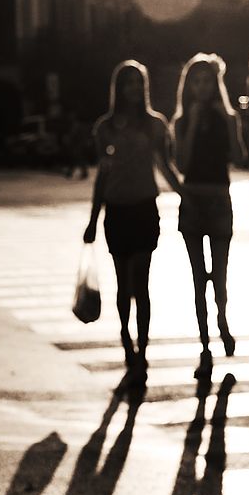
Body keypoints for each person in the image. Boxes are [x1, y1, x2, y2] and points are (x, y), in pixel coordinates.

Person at [83, 60, 184, 387]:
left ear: (144, 88)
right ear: (118, 89)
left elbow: (165, 166)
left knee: (141, 283)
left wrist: (186, 193)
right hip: (116, 210)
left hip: (144, 209)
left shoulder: (155, 125)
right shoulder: (105, 128)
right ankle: (126, 338)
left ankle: (143, 349)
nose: (133, 90)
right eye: (127, 84)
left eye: (137, 83)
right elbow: (103, 174)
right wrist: (92, 219)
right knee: (123, 285)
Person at [172, 53, 247, 378]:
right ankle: (204, 344)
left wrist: (228, 123)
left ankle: (223, 321)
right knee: (197, 279)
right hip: (192, 201)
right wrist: (193, 120)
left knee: (220, 275)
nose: (202, 87)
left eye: (207, 81)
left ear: (216, 85)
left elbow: (239, 158)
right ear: (189, 87)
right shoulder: (181, 121)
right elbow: (183, 165)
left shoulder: (226, 117)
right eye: (196, 82)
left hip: (219, 200)